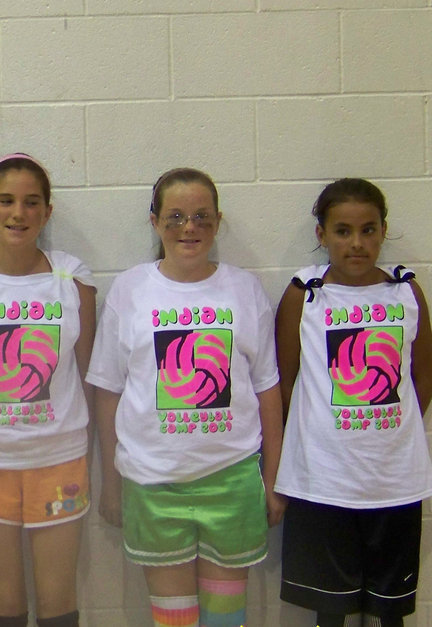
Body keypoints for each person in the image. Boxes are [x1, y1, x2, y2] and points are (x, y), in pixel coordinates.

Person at [86, 168, 285, 627]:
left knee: (223, 619)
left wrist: (272, 479)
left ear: (218, 222)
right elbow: (108, 395)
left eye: (201, 217)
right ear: (154, 222)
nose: (189, 228)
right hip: (153, 484)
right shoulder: (130, 290)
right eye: (175, 217)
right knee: (173, 620)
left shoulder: (244, 289)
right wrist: (112, 483)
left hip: (232, 480)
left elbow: (267, 390)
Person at [0, 154, 94, 627]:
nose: (18, 213)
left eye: (31, 203)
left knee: (58, 600)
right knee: (5, 602)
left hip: (59, 461)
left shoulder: (72, 279)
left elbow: (89, 375)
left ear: (47, 212)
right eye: (6, 201)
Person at [273, 178, 432, 627]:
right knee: (332, 611)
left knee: (390, 611)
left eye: (368, 229)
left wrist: (391, 427)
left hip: (394, 478)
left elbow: (423, 375)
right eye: (342, 231)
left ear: (384, 231)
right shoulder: (303, 294)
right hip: (323, 479)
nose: (357, 243)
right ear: (321, 234)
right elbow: (286, 380)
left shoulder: (406, 292)